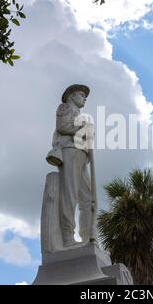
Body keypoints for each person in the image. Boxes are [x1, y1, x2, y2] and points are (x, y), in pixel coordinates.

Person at [46, 84, 94, 247]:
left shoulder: (80, 114)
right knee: (70, 195)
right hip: (70, 150)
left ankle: (88, 236)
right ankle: (68, 236)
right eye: (81, 94)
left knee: (88, 199)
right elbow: (62, 126)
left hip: (81, 153)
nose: (84, 98)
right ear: (72, 95)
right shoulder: (65, 107)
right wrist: (82, 128)